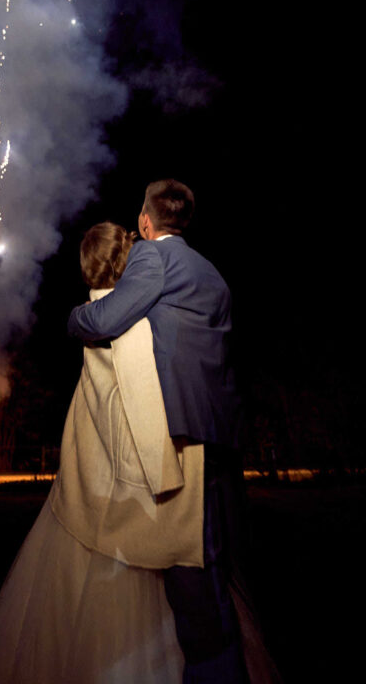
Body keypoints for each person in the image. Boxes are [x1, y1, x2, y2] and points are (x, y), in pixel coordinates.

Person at [0, 222, 206, 684]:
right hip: (131, 485)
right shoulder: (135, 326)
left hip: (87, 481)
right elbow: (148, 412)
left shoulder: (90, 316)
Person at [68, 180, 281, 684]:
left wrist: (74, 317)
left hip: (185, 438)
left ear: (146, 222)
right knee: (219, 573)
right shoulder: (212, 273)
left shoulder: (151, 260)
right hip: (223, 437)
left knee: (194, 586)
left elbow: (107, 318)